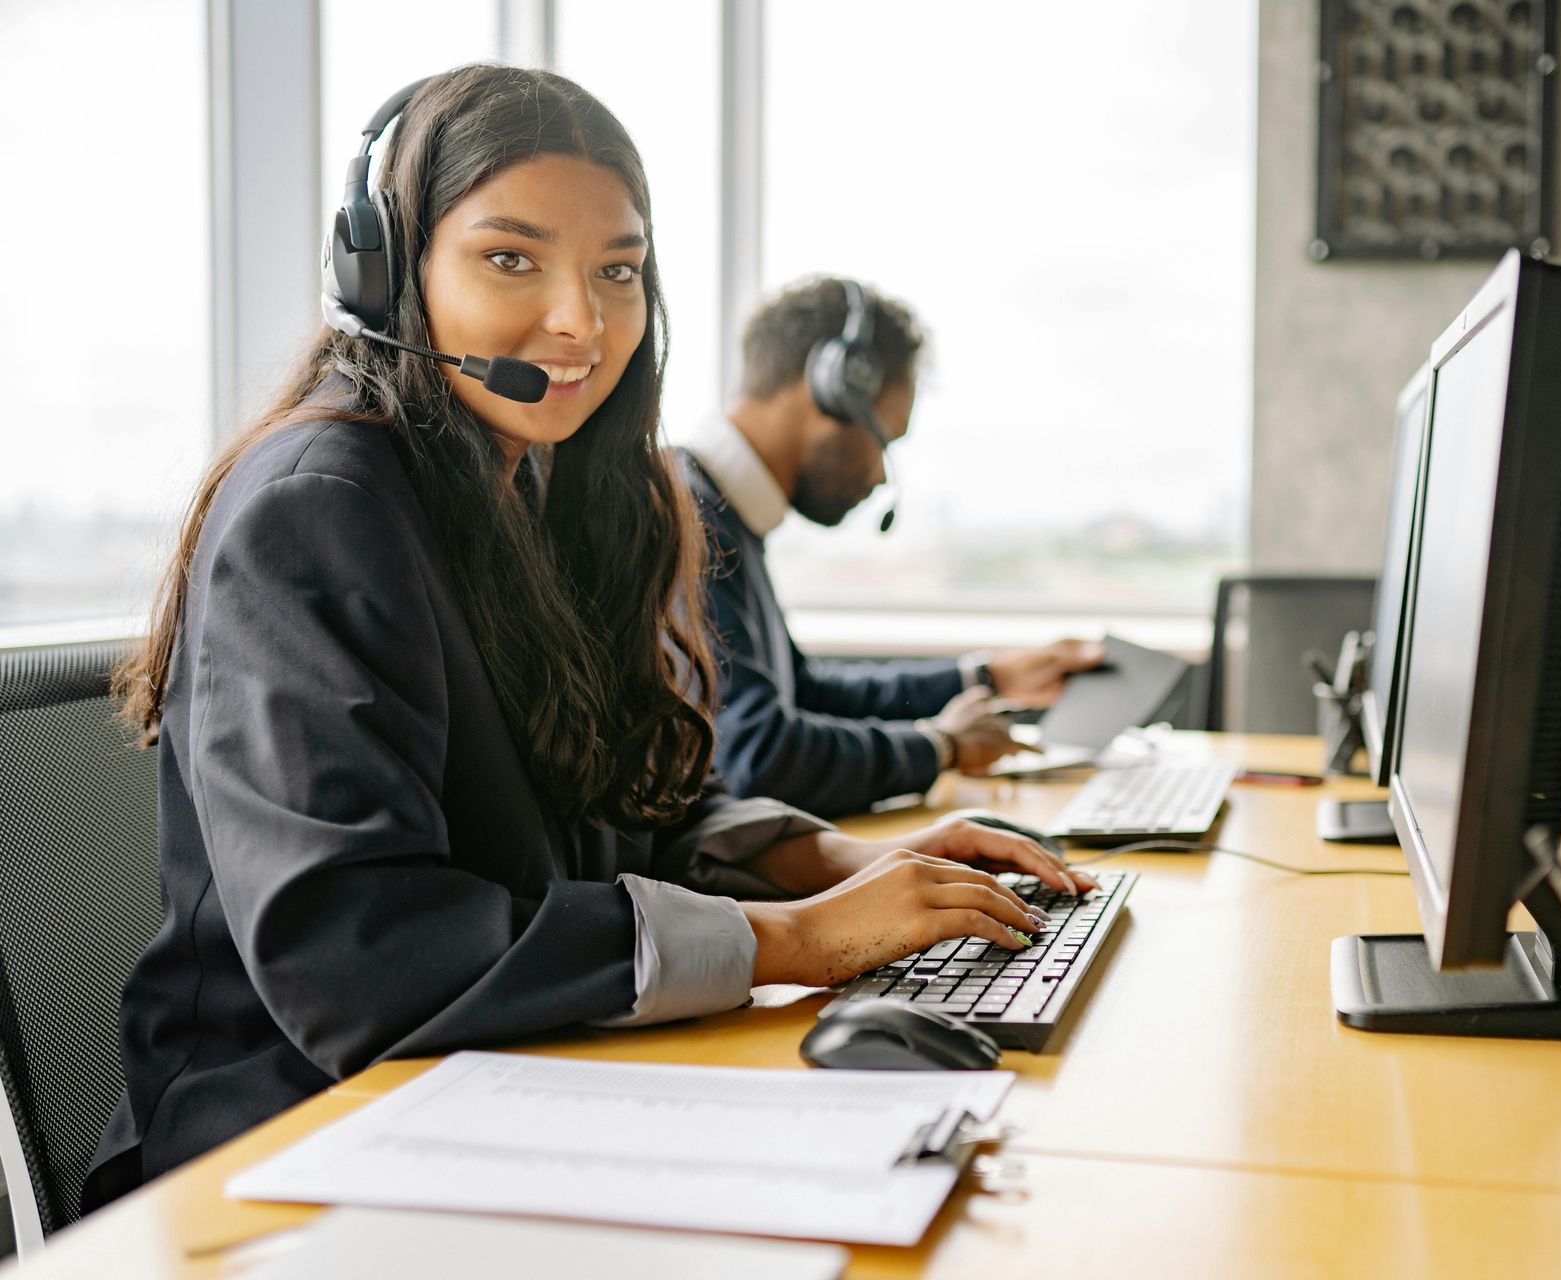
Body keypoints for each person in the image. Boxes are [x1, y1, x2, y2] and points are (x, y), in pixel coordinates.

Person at [85, 65, 1091, 1208]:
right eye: (511, 258)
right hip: (279, 1149)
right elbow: (357, 958)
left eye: (618, 270)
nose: (583, 321)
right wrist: (789, 941)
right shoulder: (319, 505)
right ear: (386, 269)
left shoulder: (550, 495)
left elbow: (627, 808)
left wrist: (832, 862)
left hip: (493, 1093)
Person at [679, 277, 1104, 818]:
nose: (881, 474)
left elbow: (803, 692)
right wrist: (939, 747)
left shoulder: (724, 510)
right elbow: (758, 756)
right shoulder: (688, 520)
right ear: (833, 388)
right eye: (885, 439)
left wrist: (987, 678)